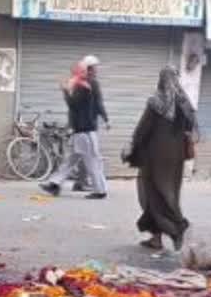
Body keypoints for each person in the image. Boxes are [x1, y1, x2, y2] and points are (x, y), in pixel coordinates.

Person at [123, 65, 198, 250]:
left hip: (154, 157)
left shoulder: (156, 101)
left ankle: (177, 227)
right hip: (175, 159)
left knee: (153, 194)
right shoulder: (184, 103)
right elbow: (191, 128)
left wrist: (132, 147)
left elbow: (143, 129)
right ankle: (156, 238)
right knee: (168, 193)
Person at [40, 62, 109, 199]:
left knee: (91, 161)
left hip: (85, 131)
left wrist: (65, 91)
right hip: (82, 130)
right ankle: (55, 184)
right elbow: (96, 105)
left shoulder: (84, 86)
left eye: (77, 71)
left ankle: (100, 190)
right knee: (71, 159)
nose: (75, 74)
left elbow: (73, 105)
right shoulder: (89, 85)